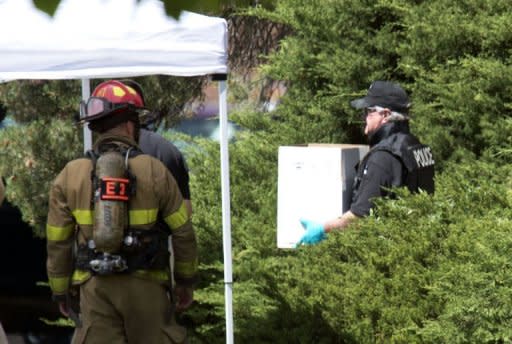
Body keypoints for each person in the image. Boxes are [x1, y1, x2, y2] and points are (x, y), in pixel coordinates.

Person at [46, 80, 198, 343]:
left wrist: (60, 291)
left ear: (95, 127)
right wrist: (185, 281)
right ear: (130, 124)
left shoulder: (70, 175)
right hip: (148, 288)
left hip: (94, 290)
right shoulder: (155, 170)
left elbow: (58, 241)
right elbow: (183, 233)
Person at [298, 81, 435, 245]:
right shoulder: (416, 147)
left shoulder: (383, 157)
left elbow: (359, 217)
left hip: (387, 254)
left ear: (385, 115)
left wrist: (322, 229)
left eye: (368, 112)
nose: (364, 118)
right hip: (415, 245)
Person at [120, 79, 192, 216]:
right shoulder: (167, 150)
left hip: (103, 236)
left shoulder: (96, 153)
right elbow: (185, 210)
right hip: (157, 236)